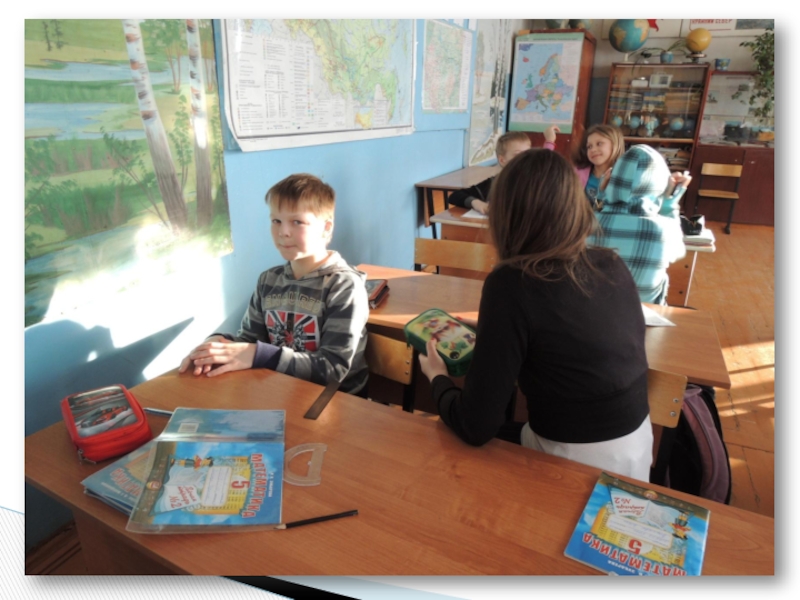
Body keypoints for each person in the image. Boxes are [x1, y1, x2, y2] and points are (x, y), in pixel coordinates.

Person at [418, 149, 653, 481]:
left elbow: (476, 426)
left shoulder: (511, 283)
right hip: (636, 449)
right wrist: (498, 334)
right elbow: (560, 335)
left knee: (442, 455)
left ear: (505, 215)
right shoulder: (610, 262)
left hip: (573, 461)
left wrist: (437, 377)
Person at [179, 173, 370, 397]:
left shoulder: (344, 286)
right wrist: (219, 344)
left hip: (335, 400)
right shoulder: (268, 280)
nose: (283, 232)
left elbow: (332, 370)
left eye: (297, 222)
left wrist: (258, 354)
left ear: (326, 228)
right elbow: (250, 341)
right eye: (276, 221)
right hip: (280, 390)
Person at [587, 144, 689, 305]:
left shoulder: (588, 222)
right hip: (643, 315)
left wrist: (602, 195)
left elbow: (598, 211)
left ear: (615, 179)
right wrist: (669, 205)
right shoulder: (664, 229)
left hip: (594, 311)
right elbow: (678, 253)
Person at [447, 131, 532, 214]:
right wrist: (476, 203)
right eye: (518, 155)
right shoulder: (495, 183)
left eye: (528, 154)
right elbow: (455, 196)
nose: (525, 159)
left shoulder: (535, 182)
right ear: (502, 160)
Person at [543, 123, 625, 210]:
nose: (593, 149)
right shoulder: (577, 173)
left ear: (615, 145)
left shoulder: (622, 177)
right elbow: (545, 173)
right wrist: (550, 141)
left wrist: (603, 191)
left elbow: (604, 210)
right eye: (589, 146)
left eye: (599, 144)